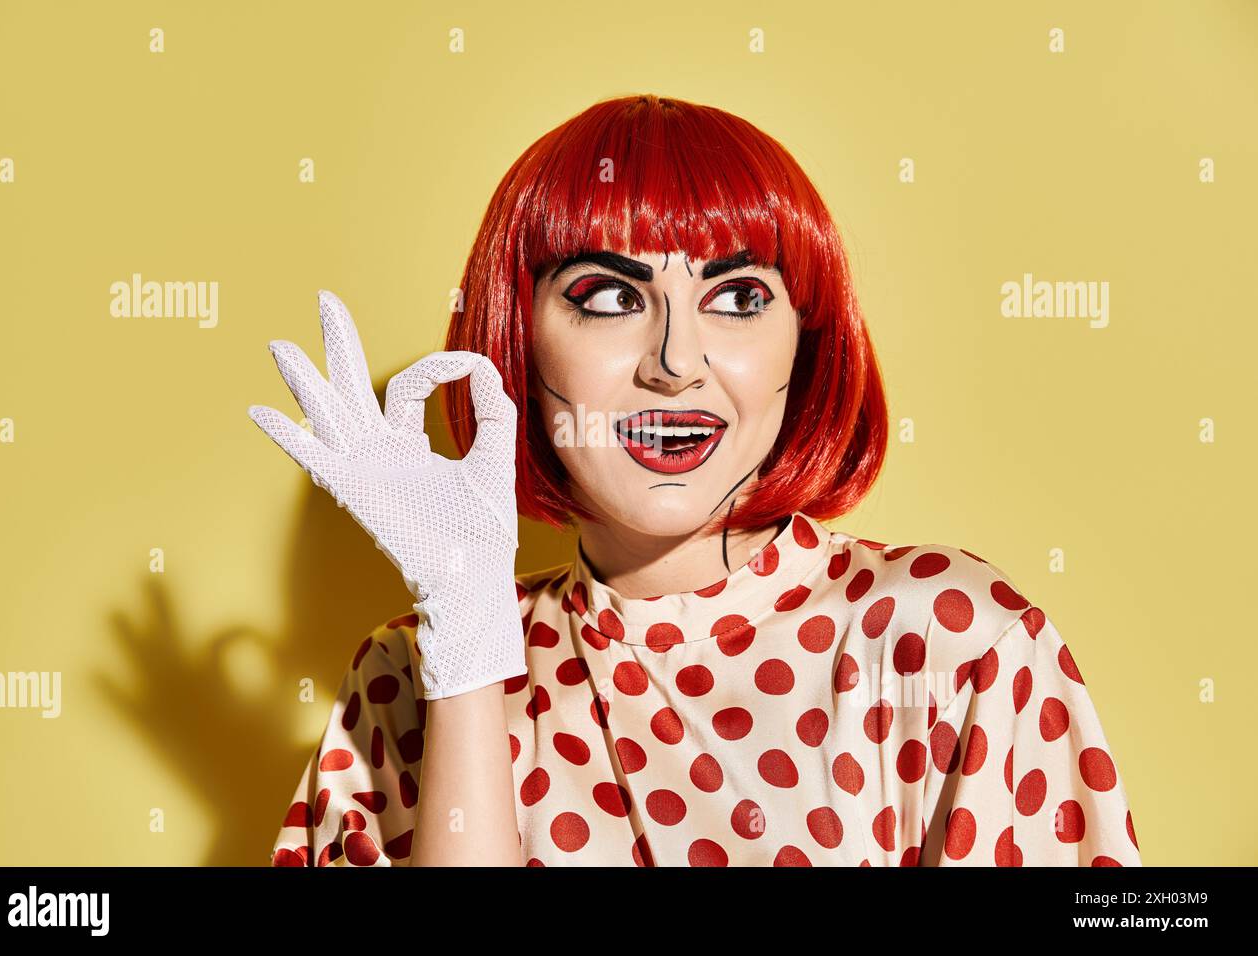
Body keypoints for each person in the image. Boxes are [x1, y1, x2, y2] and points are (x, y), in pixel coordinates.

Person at [249, 94, 1141, 867]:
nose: (676, 363)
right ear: (517, 337)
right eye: (608, 296)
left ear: (806, 336)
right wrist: (468, 642)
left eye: (739, 296)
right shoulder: (404, 677)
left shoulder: (950, 641)